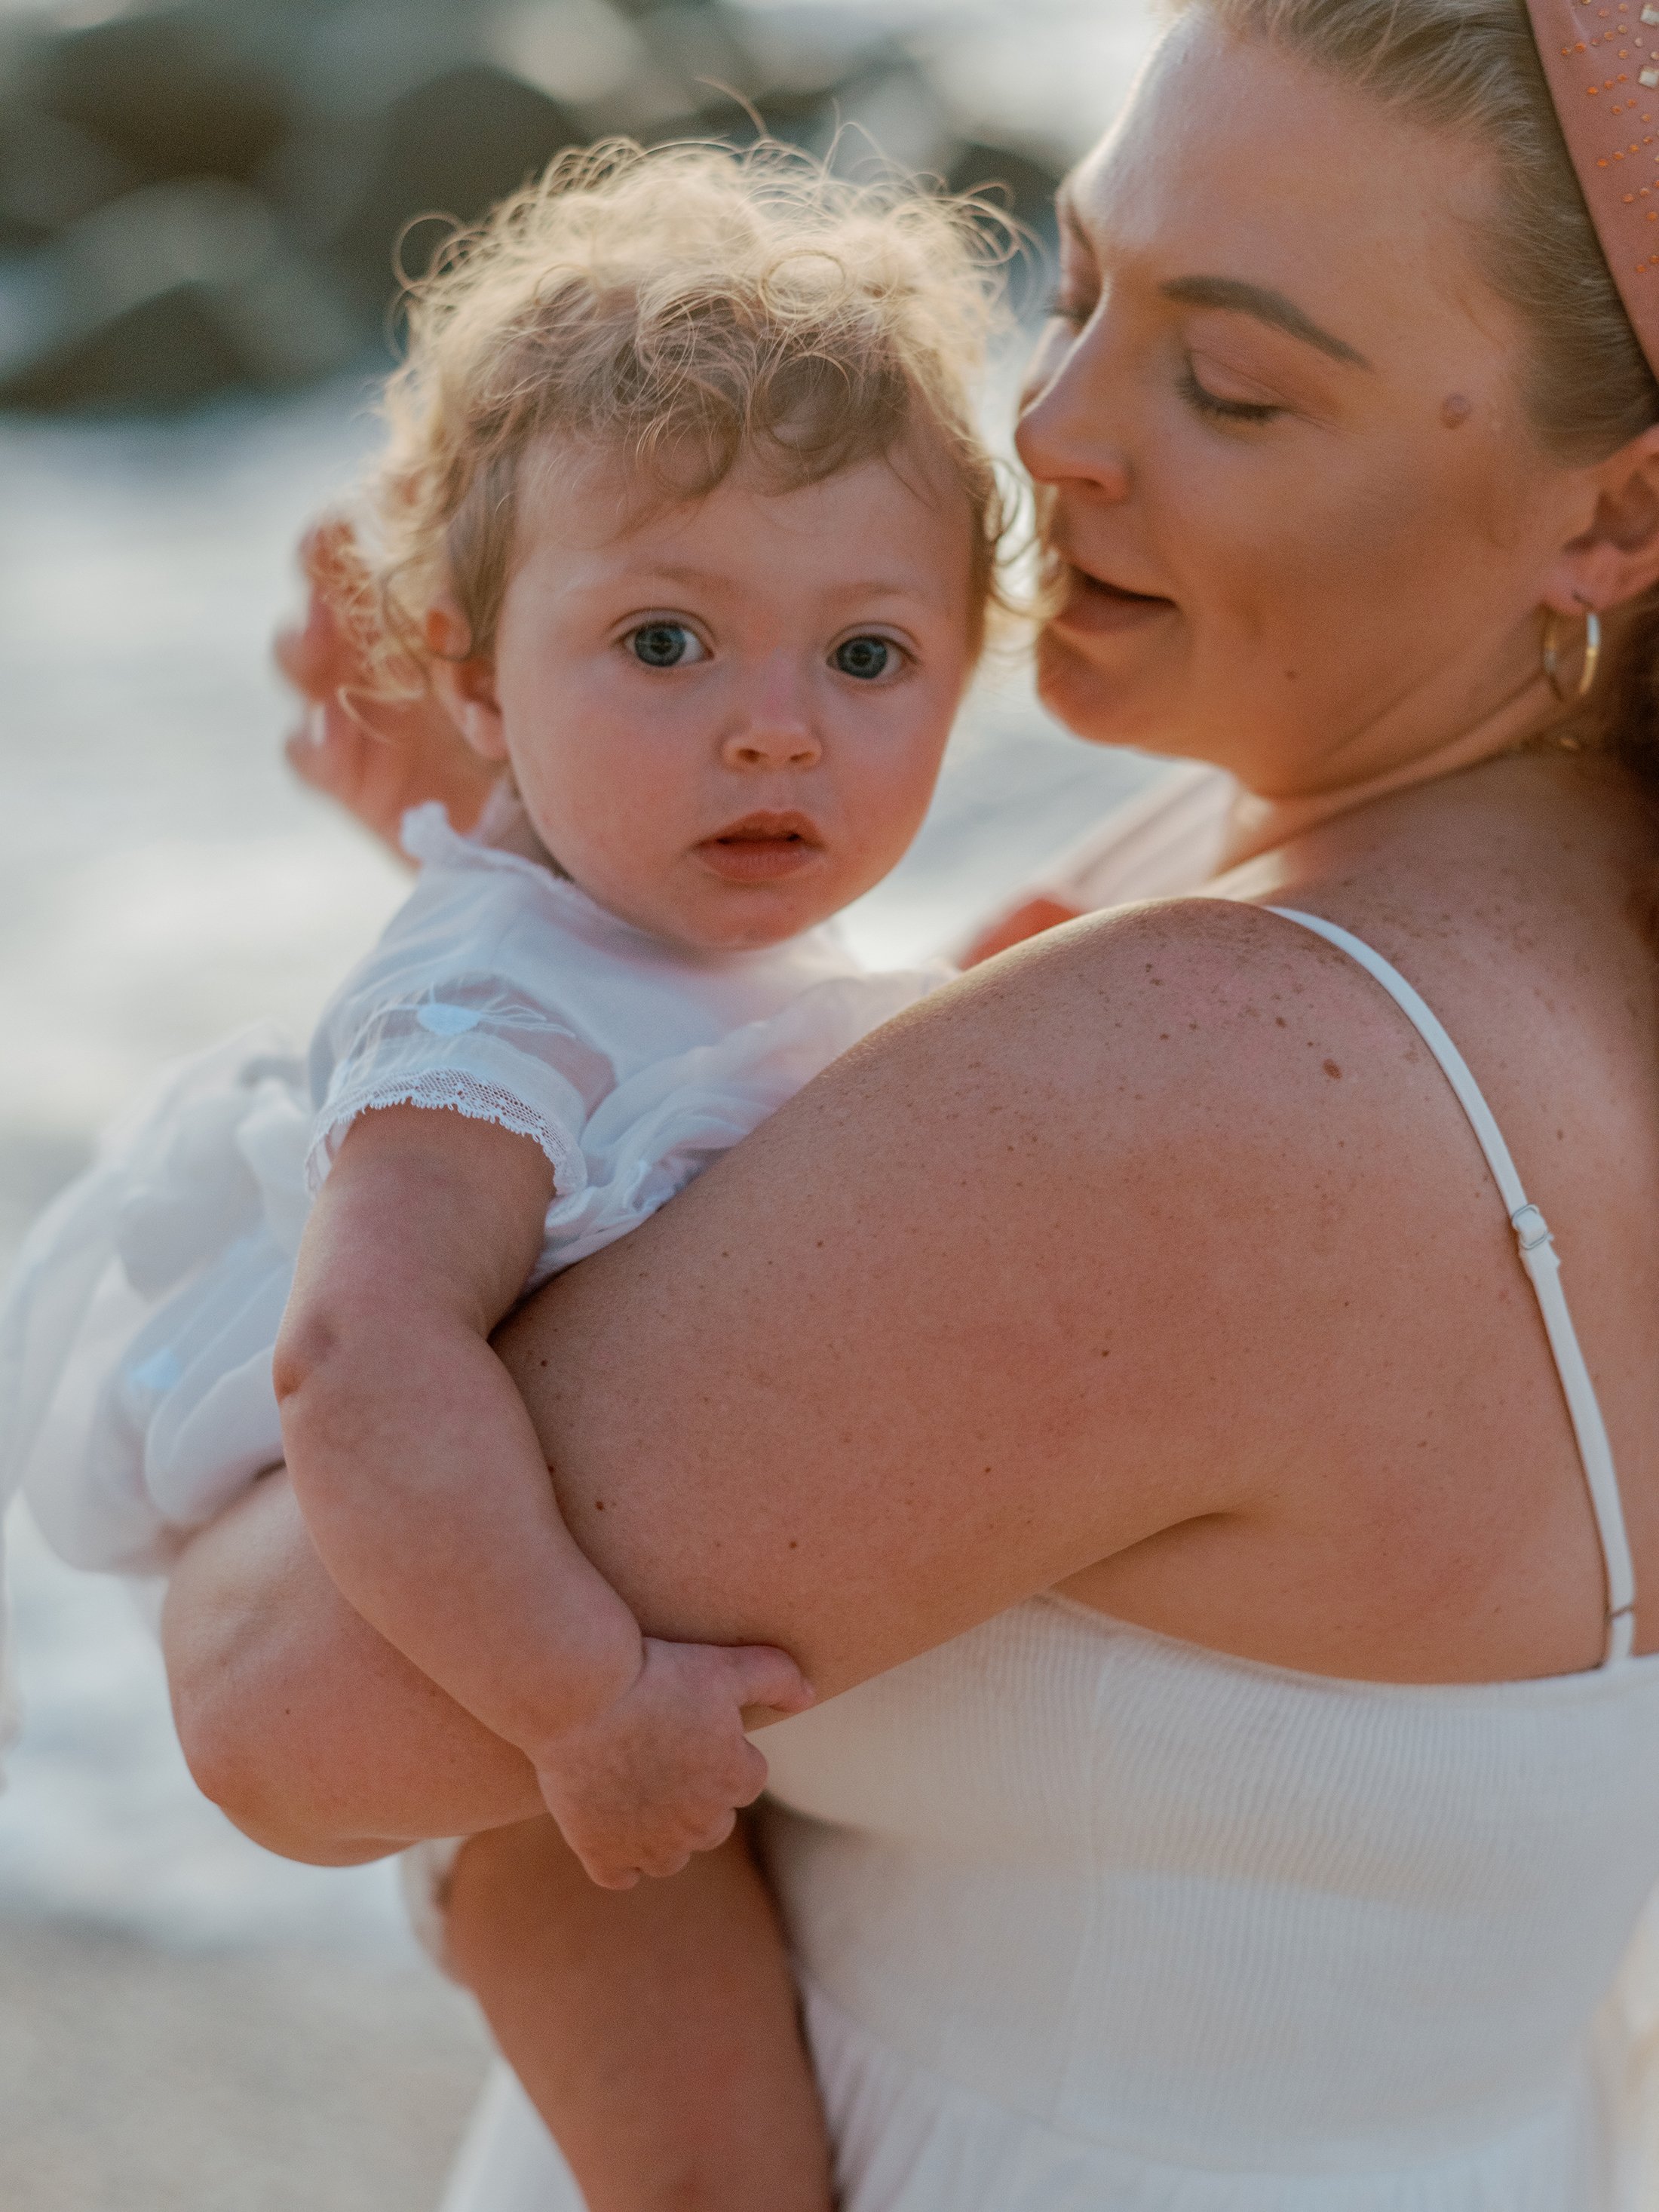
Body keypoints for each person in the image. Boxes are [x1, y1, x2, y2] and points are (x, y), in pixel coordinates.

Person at [143, 0, 1659, 2201]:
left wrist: (222, 1343)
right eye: (1078, 286)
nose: (1049, 430)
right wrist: (538, 879)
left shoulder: (1225, 1087)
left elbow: (277, 1700)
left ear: (1615, 517)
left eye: (1230, 384)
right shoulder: (1484, 913)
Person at [0, 143, 1017, 2210]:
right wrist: (583, 1704)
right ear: (472, 671)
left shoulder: (706, 950)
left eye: (867, 658)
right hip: (540, 1787)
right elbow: (361, 1363)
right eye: (662, 646)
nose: (772, 736)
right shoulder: (485, 1024)